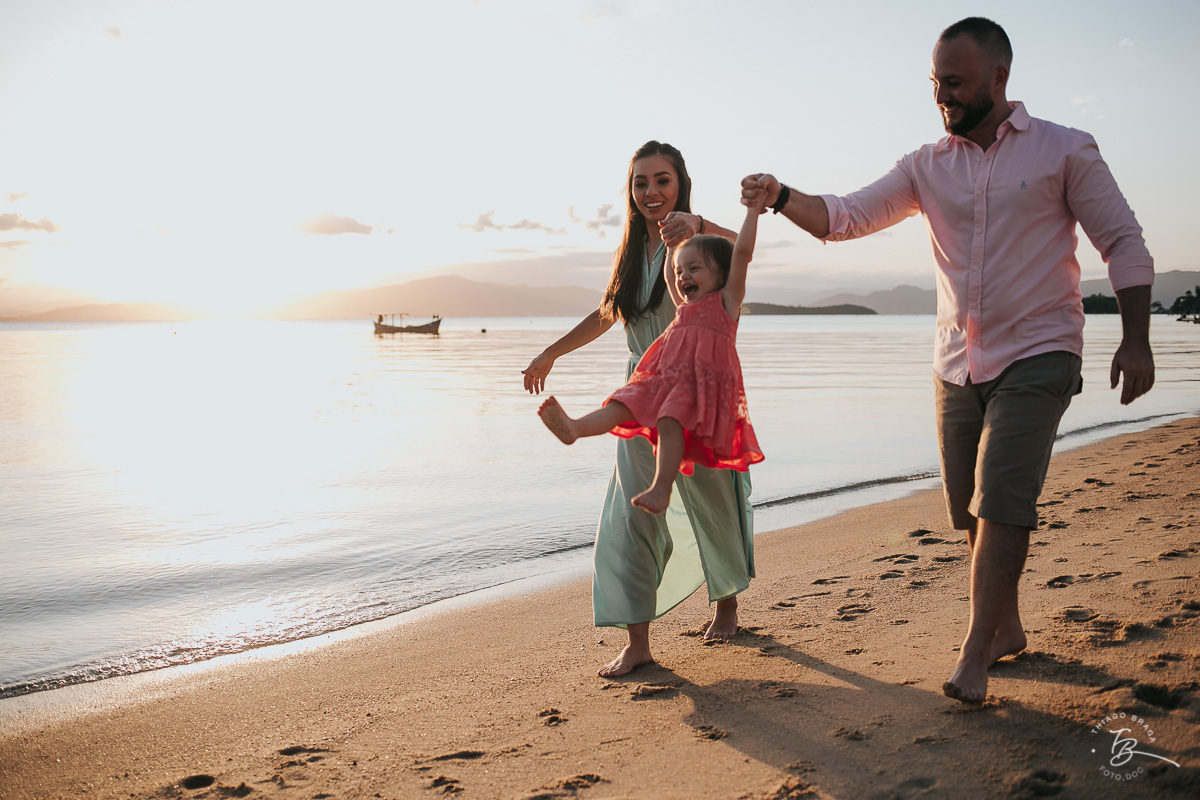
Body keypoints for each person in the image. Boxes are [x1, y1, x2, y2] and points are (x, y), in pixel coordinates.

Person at [742, 17, 1154, 704]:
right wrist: (783, 198)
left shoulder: (1065, 151)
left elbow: (1124, 242)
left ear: (999, 77)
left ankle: (974, 653)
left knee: (1001, 497)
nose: (944, 98)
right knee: (966, 508)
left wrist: (1136, 337)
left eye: (955, 84)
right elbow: (845, 217)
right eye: (936, 85)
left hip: (1041, 349)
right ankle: (1008, 626)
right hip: (957, 361)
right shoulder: (925, 166)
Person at [523, 140, 755, 678]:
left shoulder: (699, 241)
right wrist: (550, 352)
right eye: (641, 183)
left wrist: (698, 223)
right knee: (629, 513)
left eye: (662, 181)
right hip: (643, 387)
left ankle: (726, 603)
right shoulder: (630, 252)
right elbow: (608, 313)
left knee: (716, 504)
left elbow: (745, 252)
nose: (651, 192)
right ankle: (637, 641)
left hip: (699, 385)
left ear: (681, 184)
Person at [538, 199, 765, 515]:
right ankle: (575, 428)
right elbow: (670, 278)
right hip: (661, 376)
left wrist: (752, 211)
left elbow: (742, 252)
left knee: (669, 420)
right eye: (681, 270)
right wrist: (673, 251)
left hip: (695, 386)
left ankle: (661, 489)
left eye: (695, 268)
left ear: (724, 274)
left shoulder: (727, 305)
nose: (684, 276)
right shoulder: (684, 307)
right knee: (622, 403)